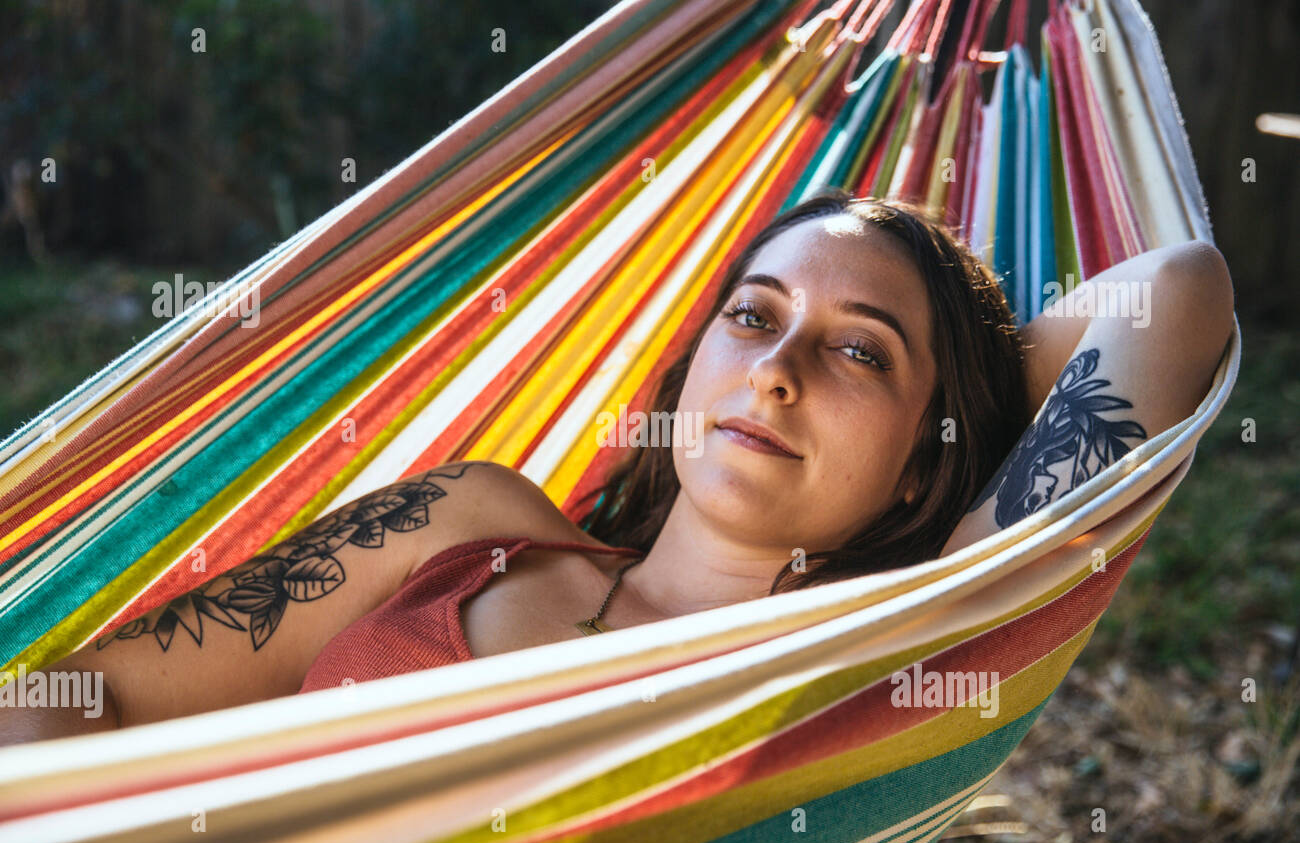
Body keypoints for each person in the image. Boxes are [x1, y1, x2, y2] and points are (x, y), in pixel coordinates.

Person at [1, 187, 1235, 743]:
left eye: (855, 351)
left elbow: (1178, 291)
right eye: (752, 316)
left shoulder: (896, 648)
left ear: (926, 467)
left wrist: (963, 381)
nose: (774, 368)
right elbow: (87, 703)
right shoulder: (470, 521)